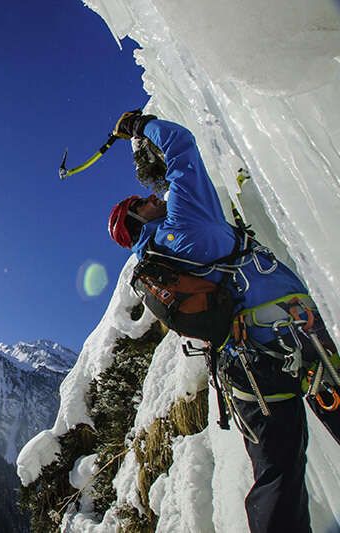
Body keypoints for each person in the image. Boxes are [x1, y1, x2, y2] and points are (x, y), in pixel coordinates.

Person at [106, 111, 340, 533]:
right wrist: (142, 128)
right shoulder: (185, 221)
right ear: (138, 218)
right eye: (141, 203)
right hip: (291, 334)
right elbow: (181, 148)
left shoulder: (157, 260)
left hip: (244, 372)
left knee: (276, 478)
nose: (152, 198)